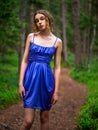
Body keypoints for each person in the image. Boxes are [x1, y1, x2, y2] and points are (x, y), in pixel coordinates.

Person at [19, 9, 62, 130]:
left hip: (46, 81)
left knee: (44, 118)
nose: (39, 22)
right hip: (30, 80)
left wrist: (56, 91)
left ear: (48, 20)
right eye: (37, 20)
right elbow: (25, 61)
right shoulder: (31, 37)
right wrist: (21, 83)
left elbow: (57, 67)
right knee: (28, 121)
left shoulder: (57, 42)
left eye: (42, 19)